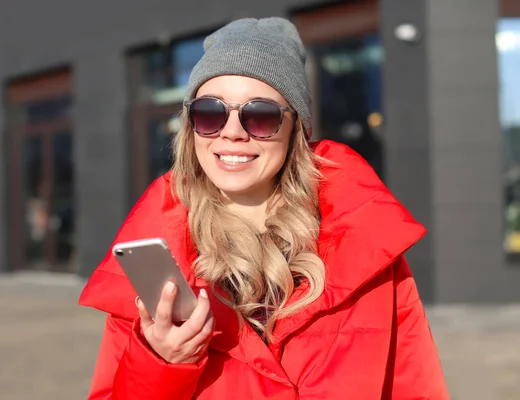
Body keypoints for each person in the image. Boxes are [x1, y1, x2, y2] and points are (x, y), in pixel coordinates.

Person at [78, 17, 449, 400]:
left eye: (261, 115)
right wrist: (162, 361)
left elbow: (414, 387)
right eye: (210, 112)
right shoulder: (155, 261)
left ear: (296, 131)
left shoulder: (370, 250)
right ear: (191, 127)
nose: (232, 131)